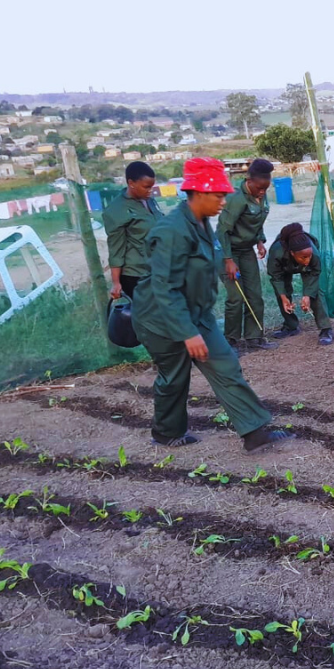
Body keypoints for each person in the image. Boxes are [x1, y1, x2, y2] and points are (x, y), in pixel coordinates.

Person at [132, 157, 293, 453]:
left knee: (226, 365)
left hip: (196, 315)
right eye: (218, 195)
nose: (223, 200)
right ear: (199, 194)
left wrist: (196, 325)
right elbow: (164, 288)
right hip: (161, 319)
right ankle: (167, 432)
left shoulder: (202, 223)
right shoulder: (171, 230)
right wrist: (187, 333)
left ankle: (253, 431)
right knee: (175, 378)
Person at [217, 158, 277, 352]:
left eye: (265, 188)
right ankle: (230, 342)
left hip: (246, 250)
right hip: (228, 251)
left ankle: (254, 338)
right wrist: (228, 260)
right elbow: (222, 231)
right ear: (248, 180)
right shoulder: (235, 198)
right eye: (259, 188)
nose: (262, 192)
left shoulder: (261, 194)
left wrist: (260, 240)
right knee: (236, 297)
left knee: (255, 295)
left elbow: (257, 222)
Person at [102, 162, 163, 300]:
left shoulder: (150, 201)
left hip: (157, 270)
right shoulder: (117, 210)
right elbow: (116, 249)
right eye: (146, 187)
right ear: (131, 183)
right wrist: (116, 283)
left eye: (152, 187)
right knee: (149, 319)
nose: (150, 191)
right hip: (136, 276)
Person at [267, 223, 334, 345]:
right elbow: (276, 277)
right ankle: (291, 326)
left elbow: (315, 273)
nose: (307, 260)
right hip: (284, 265)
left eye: (308, 256)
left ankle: (326, 329)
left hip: (305, 266)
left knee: (315, 291)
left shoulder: (313, 254)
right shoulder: (276, 252)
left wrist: (307, 295)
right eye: (303, 257)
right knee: (282, 291)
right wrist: (283, 297)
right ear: (292, 253)